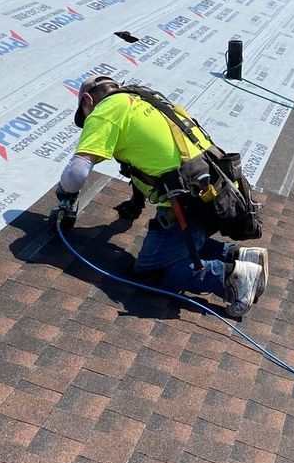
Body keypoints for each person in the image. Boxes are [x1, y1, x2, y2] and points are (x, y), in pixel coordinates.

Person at [52, 75, 268, 317]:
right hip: (217, 194)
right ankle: (236, 254)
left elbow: (77, 173)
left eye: (85, 115)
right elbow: (147, 162)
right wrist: (135, 203)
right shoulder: (147, 99)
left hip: (187, 204)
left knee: (150, 271)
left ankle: (232, 276)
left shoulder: (104, 110)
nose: (89, 121)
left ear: (87, 101)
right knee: (181, 243)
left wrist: (65, 193)